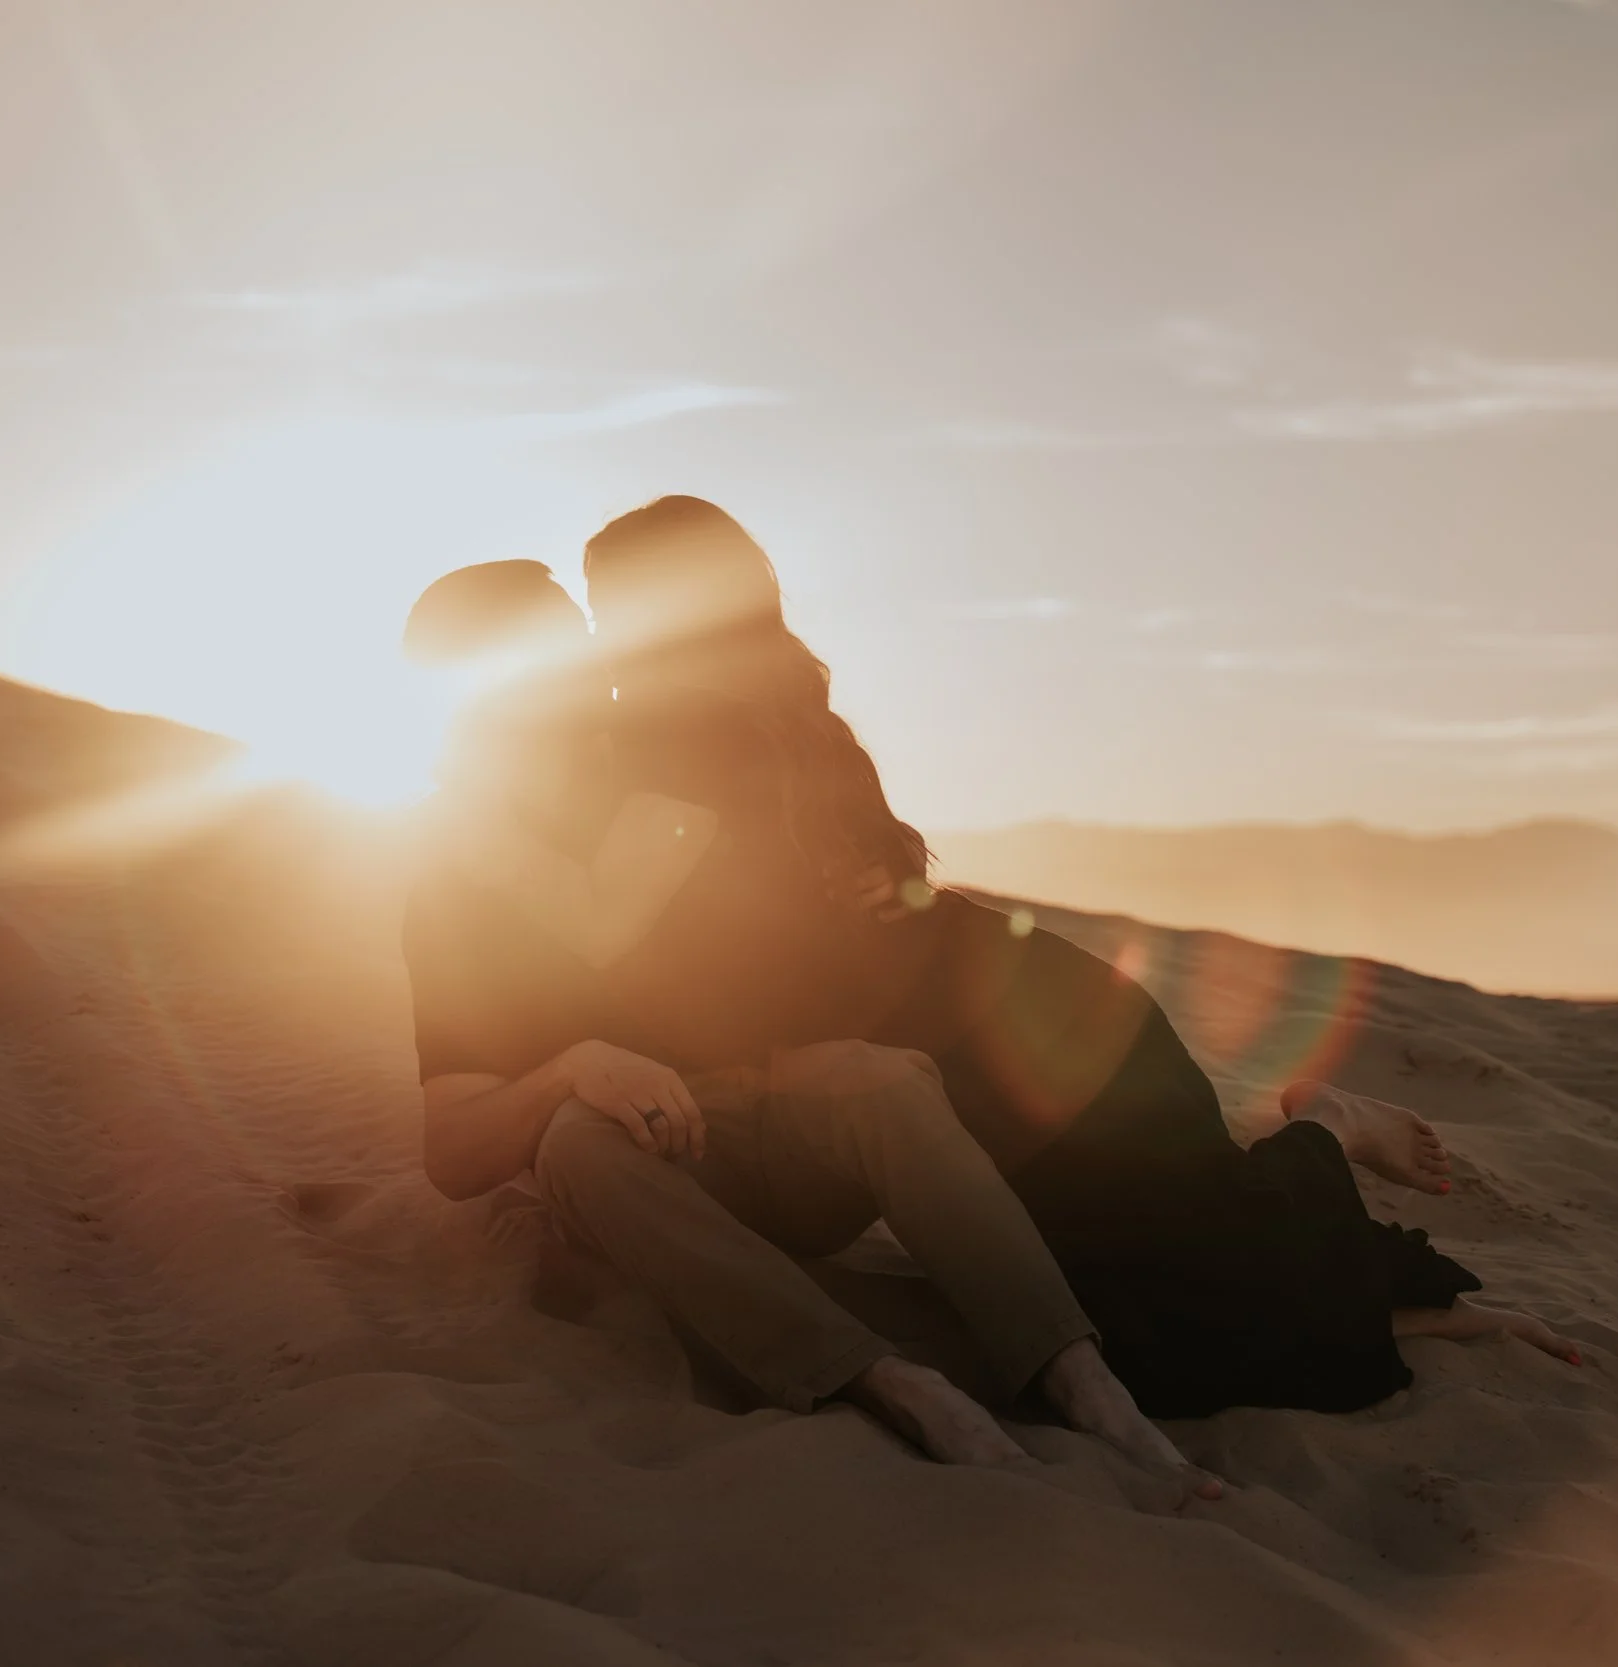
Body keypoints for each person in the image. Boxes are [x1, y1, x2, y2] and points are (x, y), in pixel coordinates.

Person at [555, 496, 1581, 1418]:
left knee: (1170, 1262)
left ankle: (1325, 1123)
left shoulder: (750, 732)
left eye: (615, 605)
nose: (605, 634)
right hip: (954, 1045)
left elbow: (651, 922)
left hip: (1013, 1014)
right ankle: (1343, 1215)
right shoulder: (661, 735)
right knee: (1136, 1309)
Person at [397, 560, 1228, 1503]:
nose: (587, 668)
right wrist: (568, 1070)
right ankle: (887, 1382)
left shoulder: (669, 763)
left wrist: (884, 874)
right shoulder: (451, 872)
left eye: (579, 643)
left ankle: (1088, 1385)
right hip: (658, 1183)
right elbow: (450, 1144)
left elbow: (822, 839)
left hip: (781, 1127)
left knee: (878, 1077)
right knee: (579, 1143)